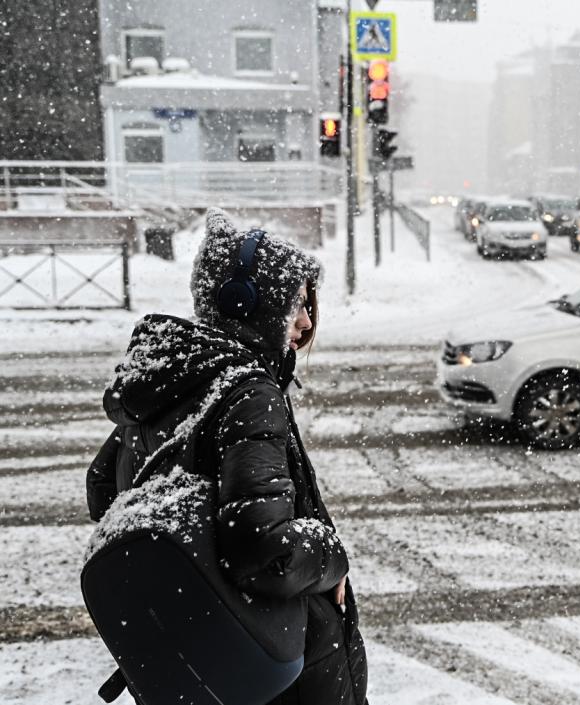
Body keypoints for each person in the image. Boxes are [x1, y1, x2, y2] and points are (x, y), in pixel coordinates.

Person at [86, 208, 368, 705]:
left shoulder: (166, 384)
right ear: (247, 306)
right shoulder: (247, 394)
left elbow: (105, 491)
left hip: (207, 656)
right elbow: (265, 551)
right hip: (279, 661)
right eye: (296, 305)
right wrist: (331, 557)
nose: (305, 323)